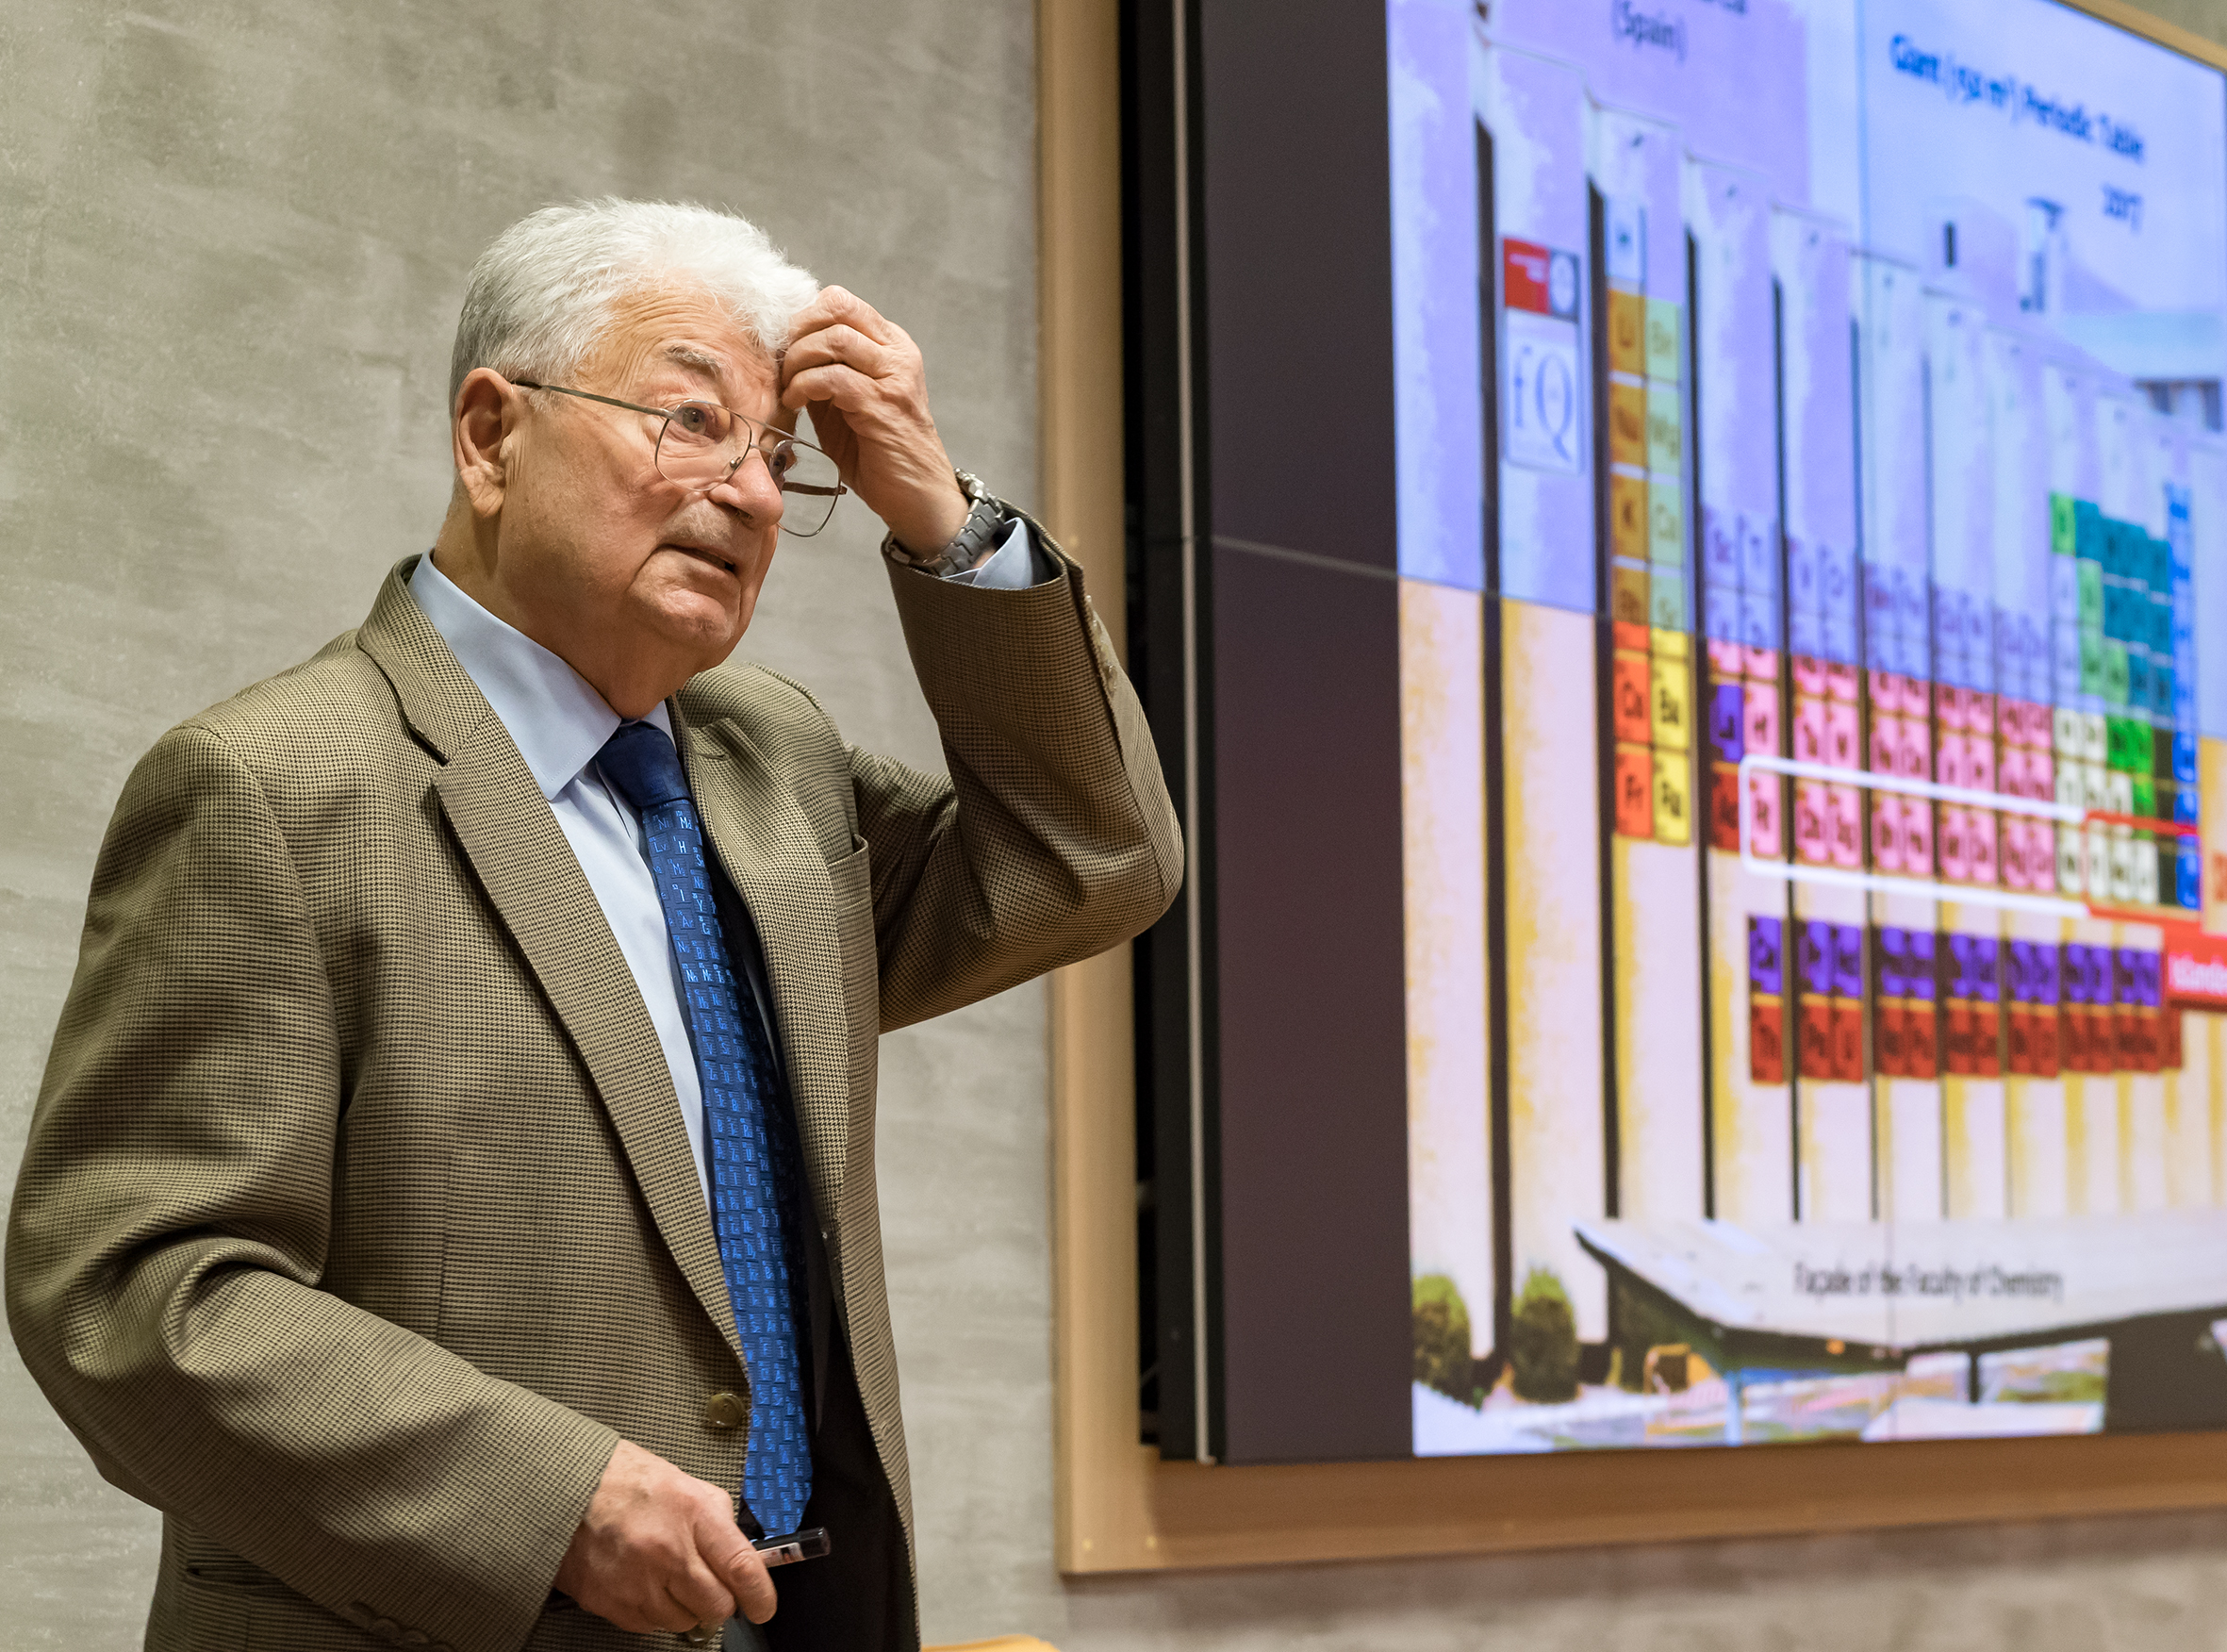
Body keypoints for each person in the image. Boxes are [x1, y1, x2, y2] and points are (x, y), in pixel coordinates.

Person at [6, 198, 1180, 1652]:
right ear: (490, 436)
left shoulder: (770, 759)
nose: (754, 497)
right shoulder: (272, 787)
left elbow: (1095, 856)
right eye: (692, 422)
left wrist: (947, 521)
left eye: (778, 455)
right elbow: (130, 1289)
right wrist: (547, 1502)